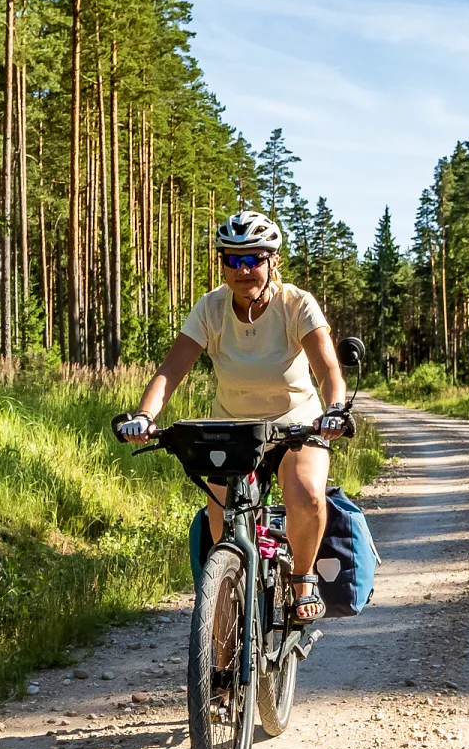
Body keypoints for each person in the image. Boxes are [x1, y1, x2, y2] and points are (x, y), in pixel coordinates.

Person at [118, 210, 347, 623]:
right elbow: (170, 372)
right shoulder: (211, 308)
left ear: (272, 261)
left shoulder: (297, 304)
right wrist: (144, 415)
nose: (243, 270)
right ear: (222, 263)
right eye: (232, 260)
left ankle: (301, 579)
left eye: (253, 259)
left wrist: (333, 411)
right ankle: (226, 608)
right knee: (218, 514)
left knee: (305, 494)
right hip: (234, 429)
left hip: (296, 423)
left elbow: (329, 370)